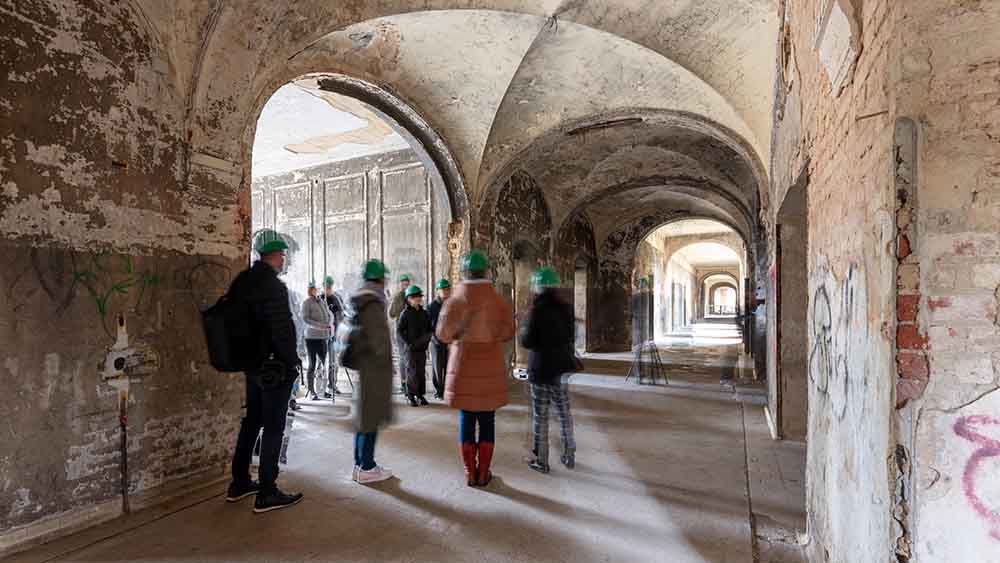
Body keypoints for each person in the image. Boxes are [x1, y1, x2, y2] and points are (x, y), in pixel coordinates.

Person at [225, 229, 304, 513]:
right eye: (283, 255)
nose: (285, 260)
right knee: (273, 427)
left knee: (252, 422)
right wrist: (292, 362)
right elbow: (283, 331)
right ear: (275, 255)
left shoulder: (244, 281)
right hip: (275, 368)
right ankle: (267, 491)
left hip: (252, 366)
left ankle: (240, 483)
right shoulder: (273, 286)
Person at [436, 251, 515, 487]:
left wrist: (462, 334)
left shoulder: (454, 301)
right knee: (488, 421)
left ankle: (470, 473)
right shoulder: (499, 301)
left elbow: (442, 334)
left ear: (464, 272)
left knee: (467, 421)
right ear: (487, 271)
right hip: (490, 369)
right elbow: (509, 332)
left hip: (463, 369)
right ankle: (484, 472)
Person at [521, 267, 578, 474]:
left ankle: (542, 461)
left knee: (541, 416)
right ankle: (569, 454)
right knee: (563, 412)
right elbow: (572, 336)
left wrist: (524, 329)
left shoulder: (536, 310)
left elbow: (527, 341)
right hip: (560, 369)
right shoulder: (566, 308)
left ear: (538, 286)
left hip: (540, 369)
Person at [349, 259, 395, 484]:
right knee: (371, 418)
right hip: (374, 369)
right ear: (379, 278)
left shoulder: (362, 299)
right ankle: (367, 466)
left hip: (365, 366)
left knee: (364, 417)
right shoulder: (373, 302)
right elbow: (379, 342)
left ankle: (360, 464)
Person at [397, 285, 433, 407]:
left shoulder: (424, 313)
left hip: (422, 348)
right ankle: (411, 395)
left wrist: (426, 340)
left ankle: (420, 394)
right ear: (409, 299)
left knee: (421, 372)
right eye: (414, 297)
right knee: (412, 372)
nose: (417, 299)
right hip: (410, 349)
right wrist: (408, 343)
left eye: (418, 296)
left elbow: (430, 329)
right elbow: (400, 331)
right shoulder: (405, 314)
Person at [301, 280, 333, 401]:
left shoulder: (322, 301)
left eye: (317, 288)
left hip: (323, 337)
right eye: (314, 288)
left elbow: (328, 316)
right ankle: (311, 391)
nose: (316, 290)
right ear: (310, 290)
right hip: (311, 338)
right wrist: (319, 326)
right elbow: (305, 319)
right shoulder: (307, 303)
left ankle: (322, 390)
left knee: (323, 365)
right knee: (312, 365)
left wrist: (329, 324)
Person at [427, 279, 452, 400]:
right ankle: (438, 391)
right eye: (443, 290)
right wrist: (435, 339)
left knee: (448, 367)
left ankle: (447, 390)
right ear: (438, 291)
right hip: (436, 342)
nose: (445, 292)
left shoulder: (451, 304)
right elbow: (428, 325)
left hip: (449, 341)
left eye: (447, 289)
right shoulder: (432, 306)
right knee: (437, 367)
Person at [322, 275, 345, 399]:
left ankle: (332, 384)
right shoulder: (320, 298)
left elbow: (342, 316)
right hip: (321, 336)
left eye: (329, 287)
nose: (327, 289)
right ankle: (322, 387)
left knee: (333, 362)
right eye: (326, 287)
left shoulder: (336, 299)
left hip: (334, 335)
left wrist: (337, 313)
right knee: (322, 362)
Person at [388, 274, 411, 392]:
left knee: (409, 356)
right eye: (404, 284)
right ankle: (403, 382)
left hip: (411, 331)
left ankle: (410, 382)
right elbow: (391, 313)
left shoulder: (412, 295)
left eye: (407, 284)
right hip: (401, 330)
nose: (405, 286)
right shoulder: (397, 297)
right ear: (400, 285)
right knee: (403, 356)